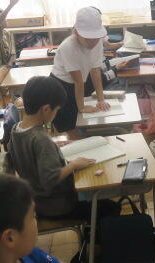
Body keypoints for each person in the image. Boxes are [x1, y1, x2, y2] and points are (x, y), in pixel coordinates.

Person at [8, 76, 120, 222]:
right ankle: (93, 234)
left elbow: (29, 155)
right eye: (56, 110)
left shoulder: (16, 129)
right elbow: (50, 179)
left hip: (36, 200)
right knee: (111, 207)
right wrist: (73, 165)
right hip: (58, 205)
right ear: (46, 109)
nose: (56, 114)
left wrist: (53, 146)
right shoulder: (40, 139)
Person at [50, 7, 110, 136]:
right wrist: (82, 107)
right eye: (88, 38)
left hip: (79, 82)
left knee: (83, 121)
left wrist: (101, 100)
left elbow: (95, 73)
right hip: (61, 85)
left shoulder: (98, 42)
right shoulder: (68, 47)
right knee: (70, 127)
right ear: (76, 33)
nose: (93, 42)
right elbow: (78, 81)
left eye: (96, 38)